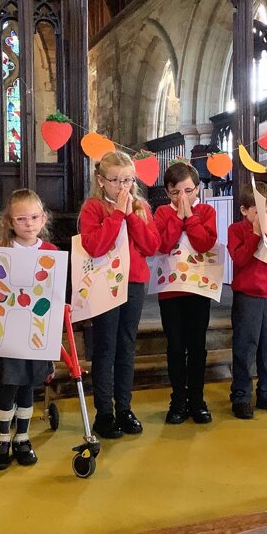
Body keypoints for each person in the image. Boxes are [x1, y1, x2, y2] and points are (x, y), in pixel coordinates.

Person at [79, 151, 160, 439]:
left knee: (126, 346)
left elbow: (152, 246)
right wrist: (116, 216)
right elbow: (95, 247)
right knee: (105, 348)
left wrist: (131, 216)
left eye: (127, 180)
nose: (122, 187)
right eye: (115, 181)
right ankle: (104, 412)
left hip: (134, 283)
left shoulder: (141, 207)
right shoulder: (93, 208)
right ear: (101, 181)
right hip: (104, 284)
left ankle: (124, 408)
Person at [0, 189, 56, 469]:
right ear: (10, 222)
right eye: (22, 219)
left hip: (36, 331)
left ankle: (22, 438)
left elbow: (54, 292)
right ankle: (1, 438)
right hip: (9, 332)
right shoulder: (2, 253)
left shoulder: (50, 253)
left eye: (34, 217)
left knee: (28, 386)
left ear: (43, 218)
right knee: (8, 385)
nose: (29, 224)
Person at [154, 161, 218, 425]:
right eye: (175, 192)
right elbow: (163, 244)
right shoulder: (161, 213)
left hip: (198, 288)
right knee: (176, 346)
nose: (182, 197)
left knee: (197, 345)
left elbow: (205, 242)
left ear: (198, 189)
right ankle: (178, 400)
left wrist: (190, 217)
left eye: (188, 191)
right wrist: (178, 218)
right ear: (167, 192)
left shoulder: (206, 211)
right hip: (170, 291)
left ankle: (197, 399)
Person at [227, 181, 267, 419]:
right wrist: (255, 234)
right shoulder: (236, 230)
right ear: (244, 210)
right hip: (247, 297)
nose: (263, 217)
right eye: (257, 211)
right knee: (244, 348)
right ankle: (241, 395)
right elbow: (240, 260)